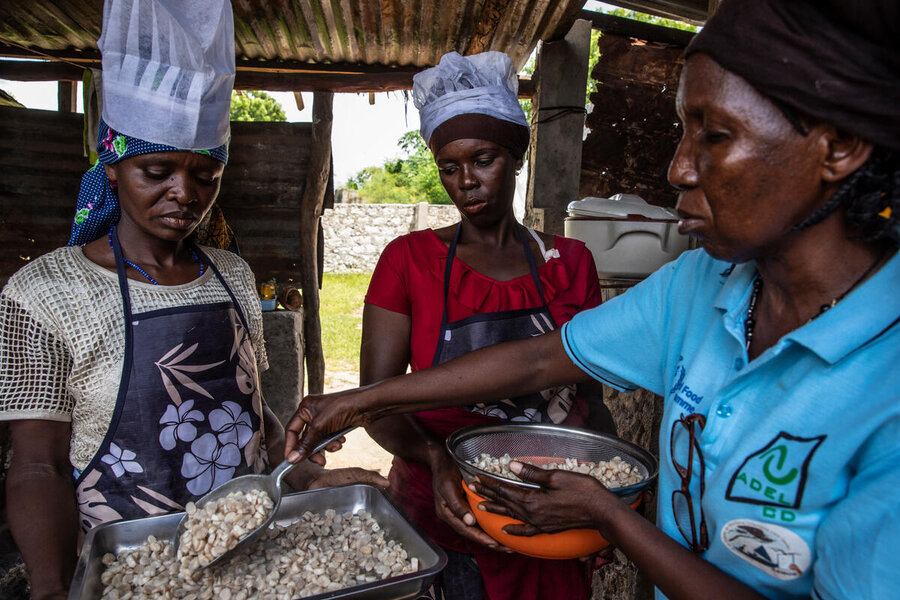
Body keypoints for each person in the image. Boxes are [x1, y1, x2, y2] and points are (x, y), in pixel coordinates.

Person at [284, 1, 900, 598]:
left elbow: (576, 395)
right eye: (449, 166)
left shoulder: (884, 385)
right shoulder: (697, 287)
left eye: (713, 134)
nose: (678, 170)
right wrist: (362, 402)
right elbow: (536, 359)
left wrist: (611, 517)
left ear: (838, 142)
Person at [0, 2, 384, 599]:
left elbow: (252, 409)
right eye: (157, 171)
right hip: (132, 571)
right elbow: (37, 467)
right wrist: (53, 588)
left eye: (206, 175)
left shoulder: (230, 273)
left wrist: (302, 474)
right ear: (115, 165)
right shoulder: (46, 294)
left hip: (254, 558)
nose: (185, 194)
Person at [359, 51, 608, 600]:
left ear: (516, 157)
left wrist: (608, 496)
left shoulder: (571, 262)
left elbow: (588, 389)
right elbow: (376, 402)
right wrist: (436, 455)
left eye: (483, 159)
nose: (465, 181)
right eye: (449, 167)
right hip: (446, 510)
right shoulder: (409, 259)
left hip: (552, 507)